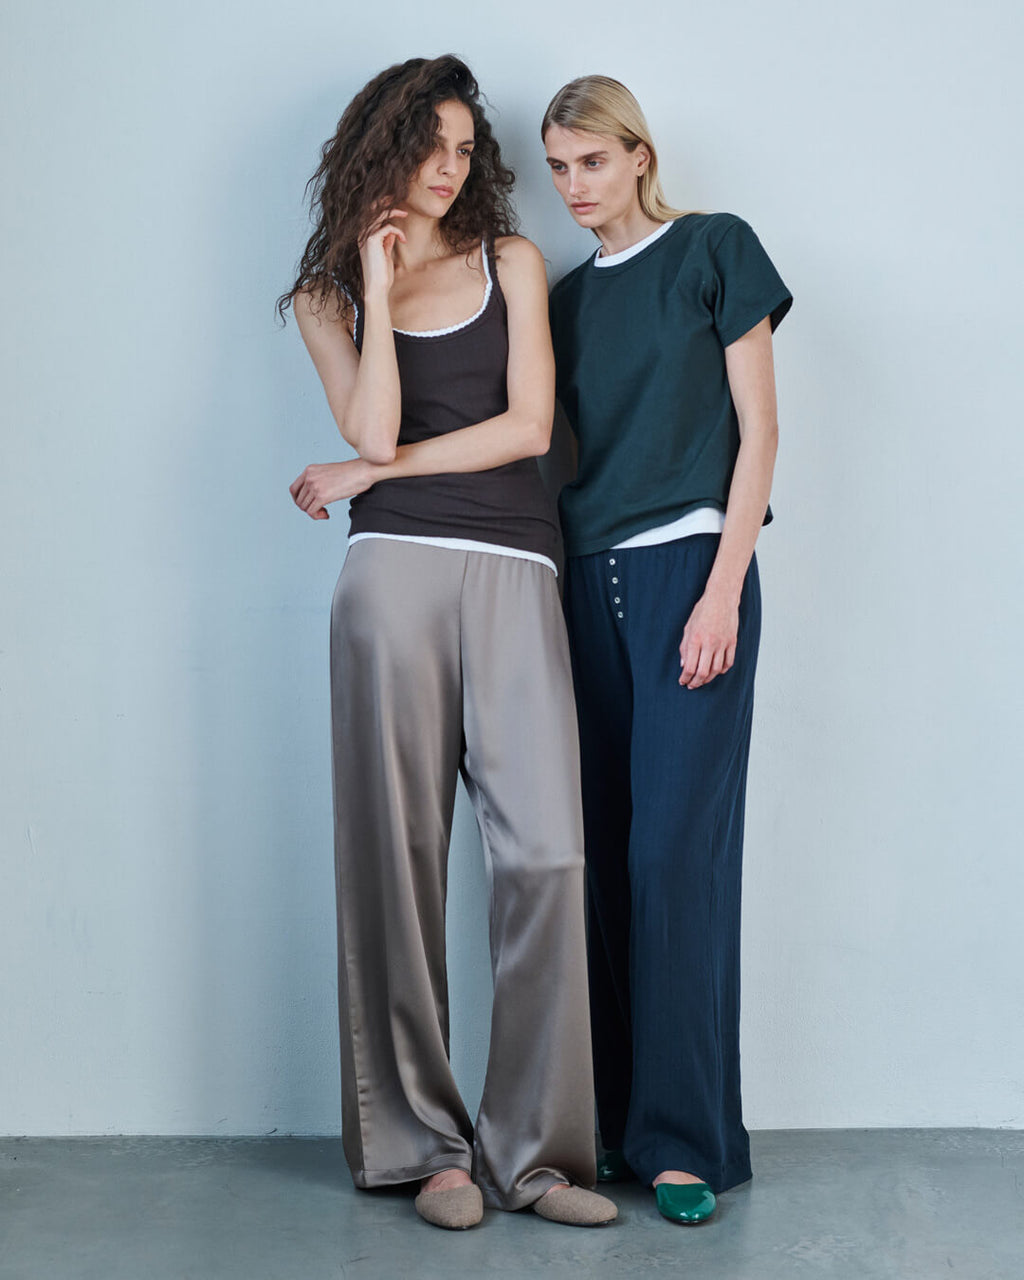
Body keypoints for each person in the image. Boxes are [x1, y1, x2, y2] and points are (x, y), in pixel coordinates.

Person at [278, 55, 617, 1231]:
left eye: (467, 148)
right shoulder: (329, 293)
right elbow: (366, 420)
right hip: (390, 581)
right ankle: (429, 1149)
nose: (450, 167)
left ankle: (532, 1150)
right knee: (396, 859)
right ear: (381, 146)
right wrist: (373, 277)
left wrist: (372, 472)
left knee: (547, 856)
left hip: (516, 567)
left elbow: (526, 429)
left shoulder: (510, 260)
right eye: (430, 145)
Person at [541, 75, 793, 1225]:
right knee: (597, 857)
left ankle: (687, 1138)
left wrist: (722, 587)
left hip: (690, 570)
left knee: (671, 859)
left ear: (638, 155)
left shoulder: (714, 248)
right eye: (555, 167)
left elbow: (760, 432)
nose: (572, 187)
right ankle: (615, 1125)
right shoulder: (559, 299)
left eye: (590, 161)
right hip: (580, 588)